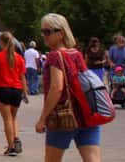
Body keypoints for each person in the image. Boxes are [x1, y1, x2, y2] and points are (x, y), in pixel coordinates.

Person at [35, 13, 102, 162]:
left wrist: (42, 118)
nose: (43, 35)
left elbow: (57, 88)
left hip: (63, 117)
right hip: (86, 114)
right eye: (42, 31)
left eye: (47, 31)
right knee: (92, 159)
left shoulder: (55, 56)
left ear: (61, 33)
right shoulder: (76, 54)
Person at [0, 31, 25, 156]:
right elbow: (22, 76)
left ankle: (11, 147)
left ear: (1, 42)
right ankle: (16, 138)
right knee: (13, 117)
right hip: (17, 89)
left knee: (7, 119)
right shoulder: (19, 58)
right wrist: (25, 92)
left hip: (3, 89)